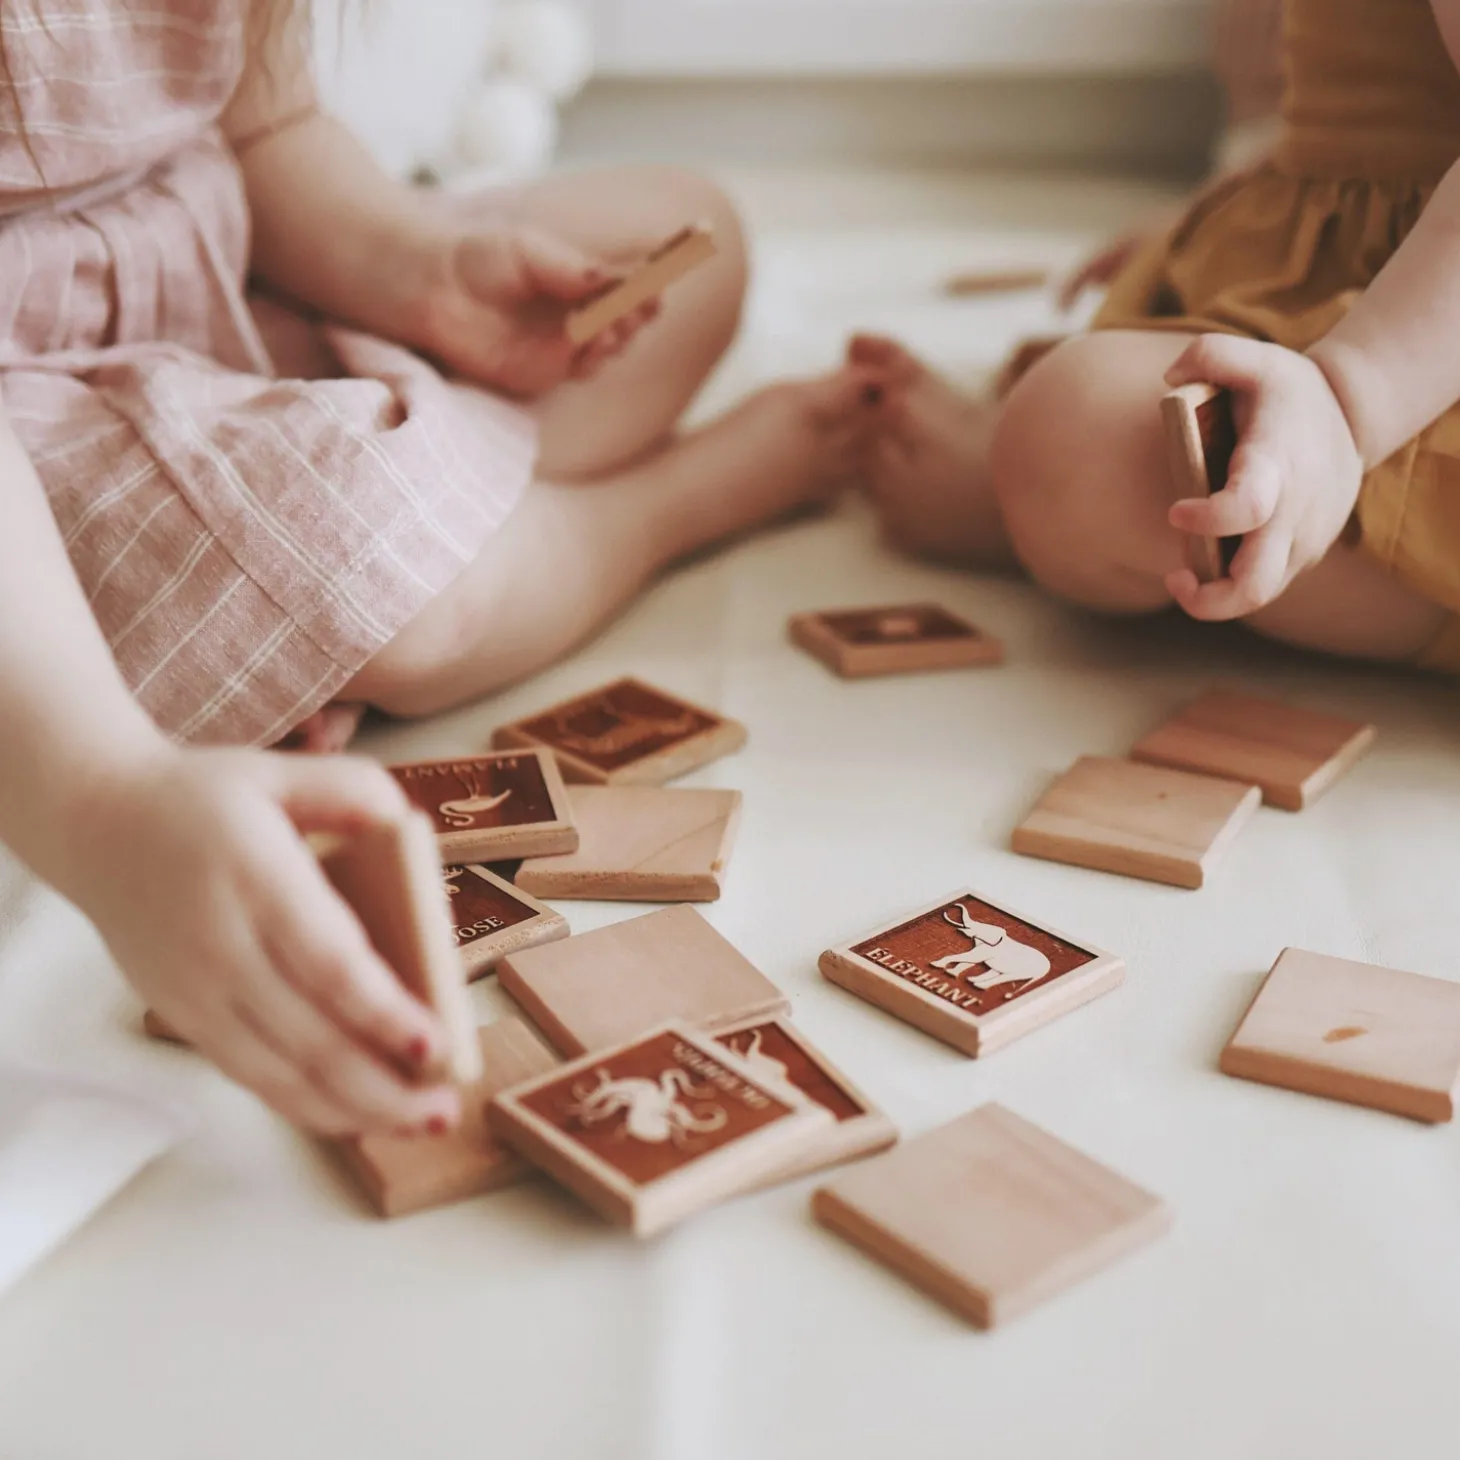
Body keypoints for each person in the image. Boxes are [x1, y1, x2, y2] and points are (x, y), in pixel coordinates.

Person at [0, 0, 872, 1138]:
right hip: (34, 465)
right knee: (358, 547)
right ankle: (658, 510)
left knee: (685, 232)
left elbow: (262, 132)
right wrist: (106, 799)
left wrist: (419, 267)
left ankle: (413, 553)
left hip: (215, 307)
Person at [857, 0, 1460, 673]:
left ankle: (1026, 516)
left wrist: (1349, 405)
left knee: (1072, 428)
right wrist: (1223, 212)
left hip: (1412, 369)